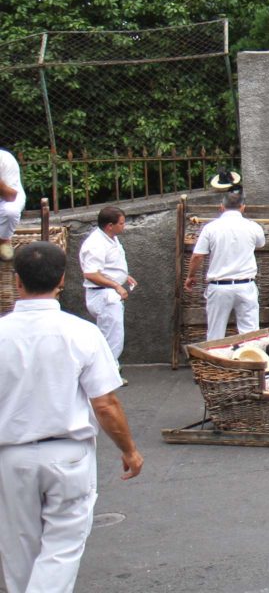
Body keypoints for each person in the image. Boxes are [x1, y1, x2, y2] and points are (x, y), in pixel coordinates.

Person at [0, 241, 143, 593]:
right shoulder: (82, 332)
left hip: (10, 455)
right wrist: (129, 450)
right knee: (62, 547)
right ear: (62, 279)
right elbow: (105, 404)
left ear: (16, 280)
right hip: (67, 453)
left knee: (17, 549)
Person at [183, 190, 266, 340]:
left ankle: (215, 362)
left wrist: (190, 276)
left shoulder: (211, 228)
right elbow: (260, 244)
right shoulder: (253, 227)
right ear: (242, 207)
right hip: (246, 285)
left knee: (215, 335)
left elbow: (197, 256)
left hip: (219, 286)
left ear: (221, 207)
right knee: (250, 335)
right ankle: (249, 361)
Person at [79, 205, 135, 373]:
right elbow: (90, 273)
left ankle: (109, 370)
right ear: (110, 225)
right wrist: (116, 285)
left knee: (114, 334)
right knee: (112, 337)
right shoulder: (96, 244)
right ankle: (106, 373)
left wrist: (124, 276)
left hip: (108, 294)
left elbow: (109, 266)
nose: (123, 226)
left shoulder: (110, 238)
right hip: (102, 295)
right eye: (121, 223)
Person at [0, 146, 24, 261]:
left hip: (7, 200)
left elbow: (11, 197)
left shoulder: (5, 159)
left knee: (11, 211)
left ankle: (4, 241)